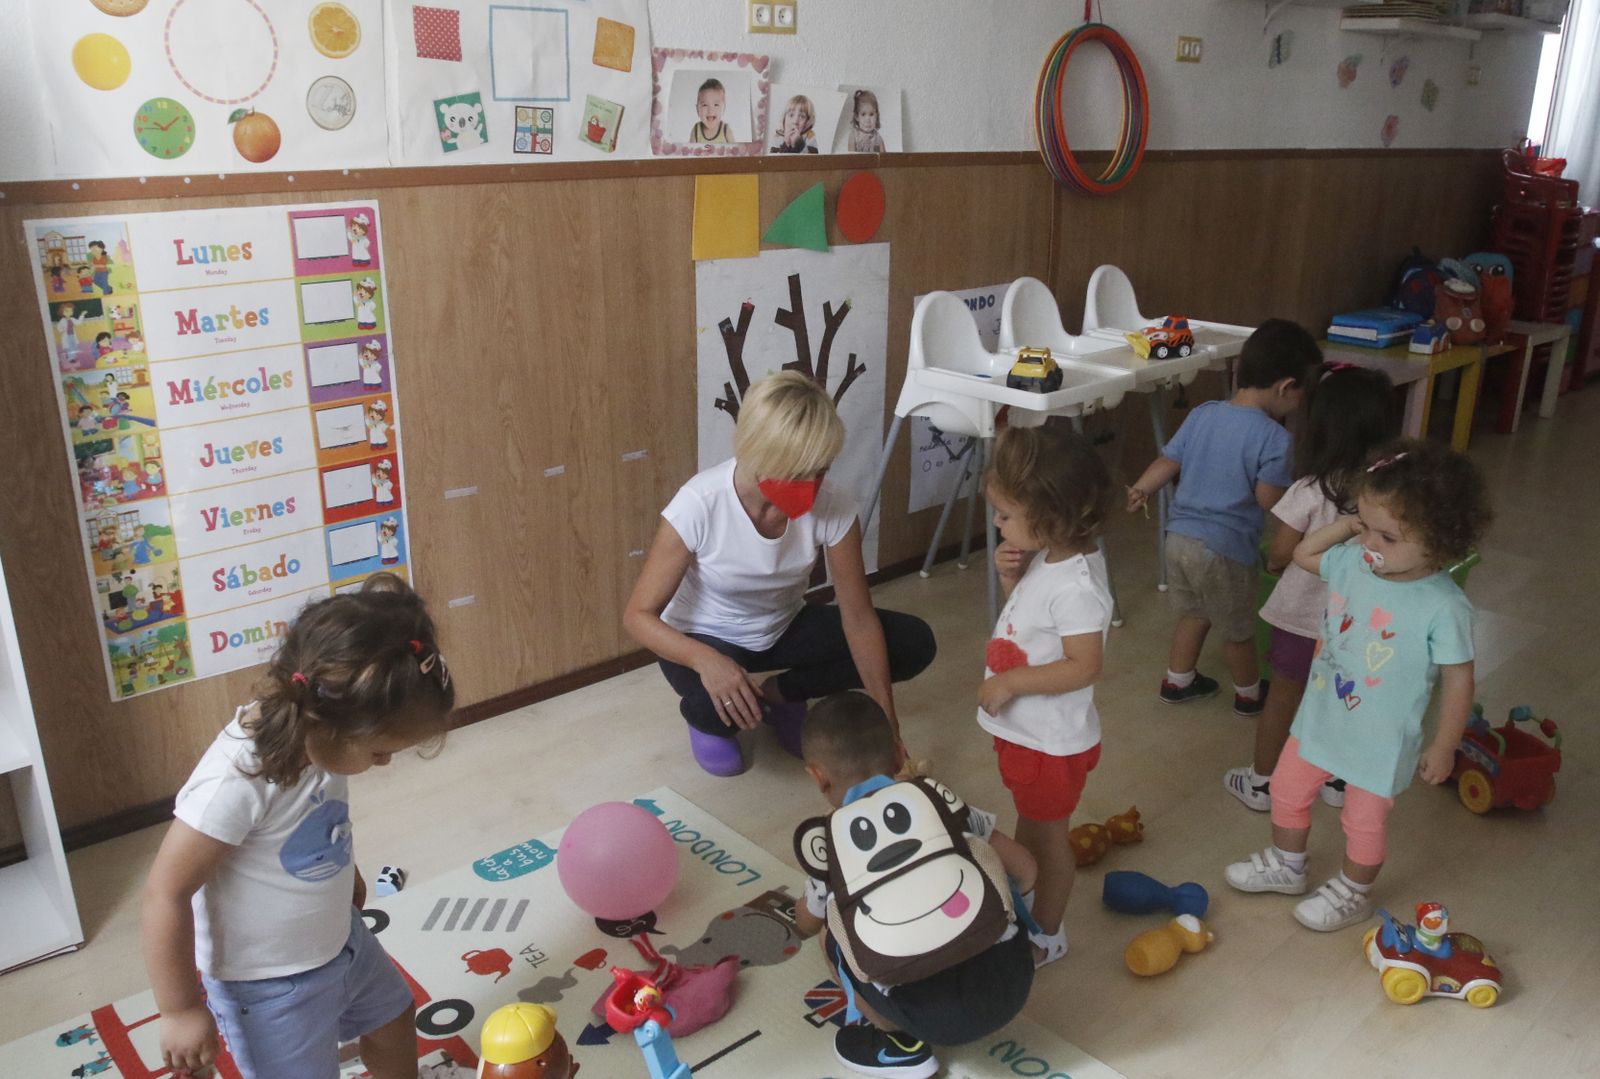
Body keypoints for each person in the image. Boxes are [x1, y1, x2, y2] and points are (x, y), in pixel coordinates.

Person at [141, 573, 455, 1078]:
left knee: (395, 1021)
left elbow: (321, 819)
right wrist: (179, 1009)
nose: (384, 765)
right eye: (379, 753)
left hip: (340, 939)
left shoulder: (325, 736)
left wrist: (343, 873)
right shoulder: (238, 777)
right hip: (267, 983)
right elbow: (165, 893)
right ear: (331, 724)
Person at [1224, 440, 1490, 931]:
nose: (1370, 543)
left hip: (1379, 741)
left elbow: (1459, 680)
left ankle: (1354, 890)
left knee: (1362, 822)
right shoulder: (1353, 560)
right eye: (1365, 526)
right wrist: (1350, 526)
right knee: (1285, 788)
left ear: (1440, 541)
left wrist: (1445, 745)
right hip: (1321, 716)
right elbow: (1303, 553)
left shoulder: (1444, 605)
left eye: (1387, 537)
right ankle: (1287, 863)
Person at [623, 371, 935, 776]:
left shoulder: (835, 506)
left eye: (821, 471)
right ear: (762, 459)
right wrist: (706, 661)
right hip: (703, 634)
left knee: (913, 643)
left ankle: (780, 694)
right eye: (800, 474)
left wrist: (887, 723)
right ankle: (712, 721)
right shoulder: (699, 504)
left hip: (782, 625)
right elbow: (638, 616)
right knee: (713, 709)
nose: (814, 485)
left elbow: (857, 618)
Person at [795, 692, 1036, 1078]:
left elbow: (804, 924)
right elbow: (1026, 870)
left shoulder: (832, 846)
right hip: (1013, 986)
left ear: (817, 775)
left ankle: (898, 1044)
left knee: (832, 934)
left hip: (925, 1018)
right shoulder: (945, 805)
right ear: (900, 753)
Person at [1224, 365, 1399, 811]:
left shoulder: (1309, 488)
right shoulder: (1387, 494)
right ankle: (1338, 781)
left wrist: (1275, 560)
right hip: (1359, 622)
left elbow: (1281, 553)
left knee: (1284, 694)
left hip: (1302, 618)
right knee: (1347, 697)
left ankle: (1262, 783)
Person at [1126, 319, 1322, 714]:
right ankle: (1250, 695)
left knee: (1193, 613)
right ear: (1286, 387)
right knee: (1238, 631)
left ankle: (1177, 681)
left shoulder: (1203, 413)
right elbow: (1268, 500)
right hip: (1225, 549)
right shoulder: (1275, 439)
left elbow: (1169, 460)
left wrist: (1141, 488)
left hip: (1178, 540)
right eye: (1303, 394)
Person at [977, 423, 1113, 967]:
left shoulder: (1079, 585)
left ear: (1052, 514)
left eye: (1006, 514)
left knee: (1050, 843)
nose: (997, 523)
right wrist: (1013, 583)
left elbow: (1084, 665)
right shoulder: (1051, 560)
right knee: (1031, 827)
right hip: (1030, 736)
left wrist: (1008, 682)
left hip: (1049, 745)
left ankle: (1048, 935)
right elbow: (1033, 628)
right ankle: (1027, 910)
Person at [690, 78, 734, 143]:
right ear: (697, 109)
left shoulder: (725, 130)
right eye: (705, 105)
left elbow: (736, 151)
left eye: (716, 105)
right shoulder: (696, 130)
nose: (710, 110)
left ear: (724, 108)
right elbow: (691, 151)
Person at [847, 89, 886, 153]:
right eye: (863, 114)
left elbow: (884, 158)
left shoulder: (877, 138)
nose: (867, 119)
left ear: (877, 116)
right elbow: (851, 157)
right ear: (857, 116)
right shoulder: (854, 136)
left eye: (871, 114)